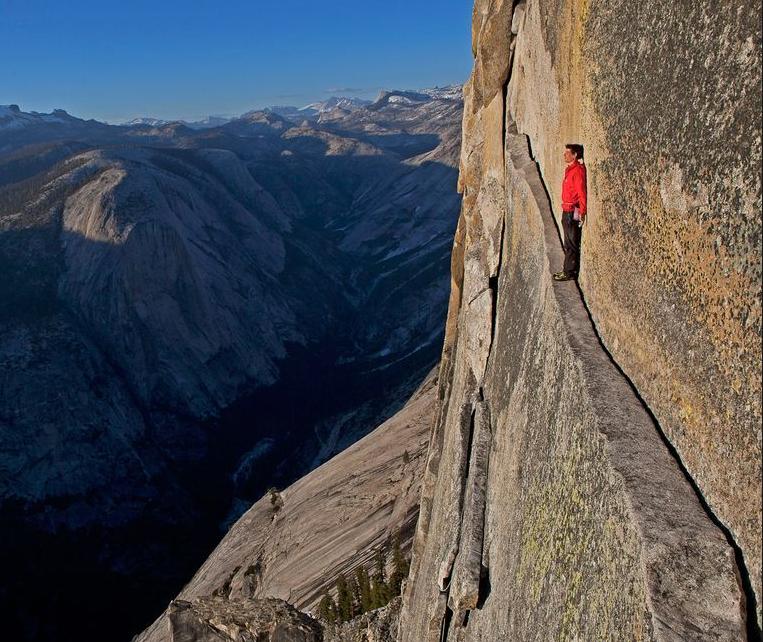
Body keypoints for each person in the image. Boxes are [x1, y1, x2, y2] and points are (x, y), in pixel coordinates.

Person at [553, 143, 587, 281]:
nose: (564, 155)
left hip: (571, 211)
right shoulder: (570, 170)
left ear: (575, 155)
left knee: (571, 243)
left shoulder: (577, 171)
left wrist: (583, 212)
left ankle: (569, 272)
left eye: (567, 153)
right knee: (568, 242)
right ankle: (568, 270)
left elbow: (581, 193)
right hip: (566, 210)